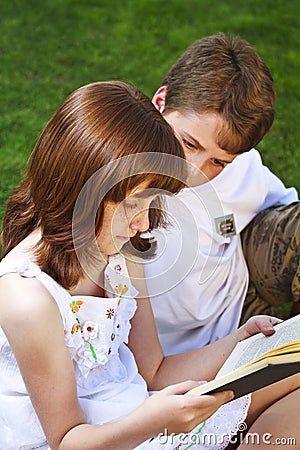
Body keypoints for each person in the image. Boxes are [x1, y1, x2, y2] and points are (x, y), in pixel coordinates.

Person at [0, 80, 299, 450]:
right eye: (132, 204)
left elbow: (154, 371)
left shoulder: (123, 252)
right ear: (81, 187)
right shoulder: (26, 295)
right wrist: (154, 421)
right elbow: (65, 441)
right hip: (106, 436)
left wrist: (241, 340)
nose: (143, 225)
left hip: (141, 411)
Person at [143, 32, 300, 356]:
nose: (195, 170)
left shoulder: (243, 171)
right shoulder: (117, 164)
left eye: (218, 161)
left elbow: (287, 214)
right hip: (151, 351)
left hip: (234, 317)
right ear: (160, 102)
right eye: (189, 144)